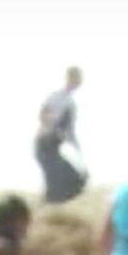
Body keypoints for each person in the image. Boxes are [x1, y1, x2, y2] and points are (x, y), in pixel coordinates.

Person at [35, 66, 86, 204]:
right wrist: (51, 126)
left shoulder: (69, 102)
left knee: (71, 180)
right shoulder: (58, 98)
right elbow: (43, 114)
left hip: (51, 144)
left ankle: (52, 209)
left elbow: (69, 131)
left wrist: (76, 148)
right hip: (45, 143)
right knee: (59, 182)